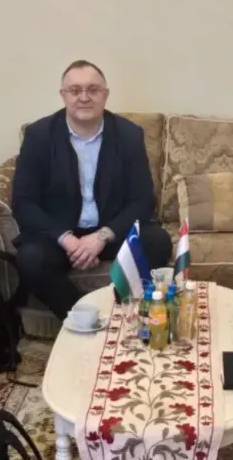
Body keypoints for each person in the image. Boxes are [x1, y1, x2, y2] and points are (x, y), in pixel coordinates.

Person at [11, 60, 173, 318]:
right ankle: (86, 316)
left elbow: (142, 200)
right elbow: (24, 202)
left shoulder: (128, 135)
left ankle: (121, 311)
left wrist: (100, 237)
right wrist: (68, 240)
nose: (84, 97)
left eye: (93, 90)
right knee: (30, 259)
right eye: (75, 90)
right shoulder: (39, 135)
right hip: (59, 235)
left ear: (105, 95)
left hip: (110, 231)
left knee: (157, 242)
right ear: (63, 95)